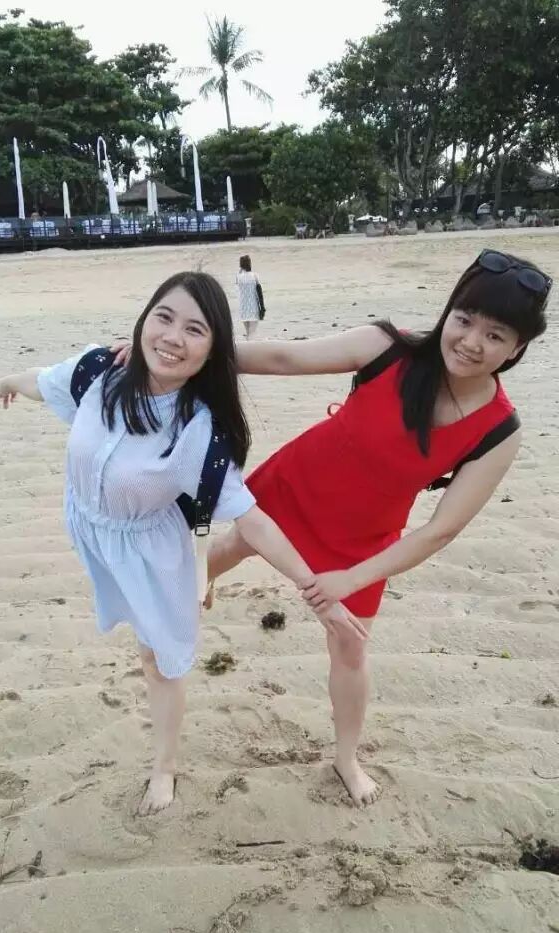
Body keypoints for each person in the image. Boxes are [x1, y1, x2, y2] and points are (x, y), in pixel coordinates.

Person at [0, 272, 364, 816]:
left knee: (158, 660)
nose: (172, 337)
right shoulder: (99, 371)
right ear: (144, 320)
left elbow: (253, 522)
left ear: (212, 351)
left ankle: (163, 768)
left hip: (153, 554)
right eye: (163, 318)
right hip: (90, 528)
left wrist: (315, 591)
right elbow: (44, 381)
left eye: (194, 329)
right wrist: (4, 382)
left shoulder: (196, 431)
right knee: (136, 631)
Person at [203, 249, 552, 807]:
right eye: (464, 320)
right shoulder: (386, 347)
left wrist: (350, 578)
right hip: (300, 481)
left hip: (364, 539)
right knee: (236, 544)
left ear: (517, 348)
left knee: (350, 646)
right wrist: (192, 354)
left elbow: (439, 531)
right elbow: (283, 358)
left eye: (495, 335)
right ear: (448, 311)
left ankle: (346, 758)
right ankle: (200, 581)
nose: (471, 342)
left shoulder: (499, 430)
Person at [236, 254, 263, 340]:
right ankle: (251, 346)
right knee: (252, 332)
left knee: (248, 332)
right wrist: (262, 307)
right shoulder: (255, 276)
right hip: (253, 307)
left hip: (243, 308)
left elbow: (238, 286)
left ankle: (248, 344)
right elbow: (259, 292)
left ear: (241, 265)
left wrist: (241, 269)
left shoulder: (238, 277)